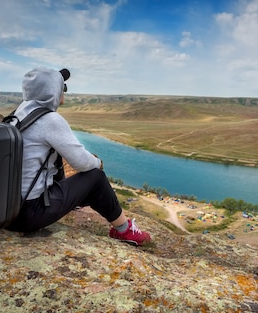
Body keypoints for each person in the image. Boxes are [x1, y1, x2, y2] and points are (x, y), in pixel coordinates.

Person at [8, 66, 152, 246]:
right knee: (96, 177)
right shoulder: (49, 120)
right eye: (62, 87)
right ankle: (125, 230)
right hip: (29, 214)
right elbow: (82, 162)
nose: (64, 92)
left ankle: (77, 202)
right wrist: (98, 163)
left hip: (9, 210)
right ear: (52, 91)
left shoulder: (18, 114)